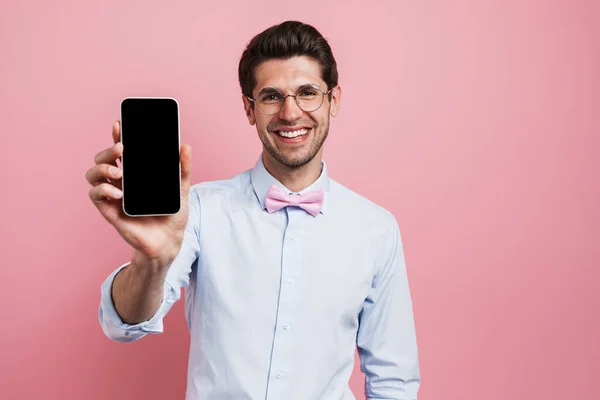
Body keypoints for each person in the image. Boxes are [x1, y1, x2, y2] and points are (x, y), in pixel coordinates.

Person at [86, 20, 420, 400]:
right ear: (250, 108)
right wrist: (151, 259)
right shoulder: (196, 210)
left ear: (334, 100)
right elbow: (124, 325)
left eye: (307, 92)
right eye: (272, 96)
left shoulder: (376, 230)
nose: (291, 113)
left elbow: (393, 379)